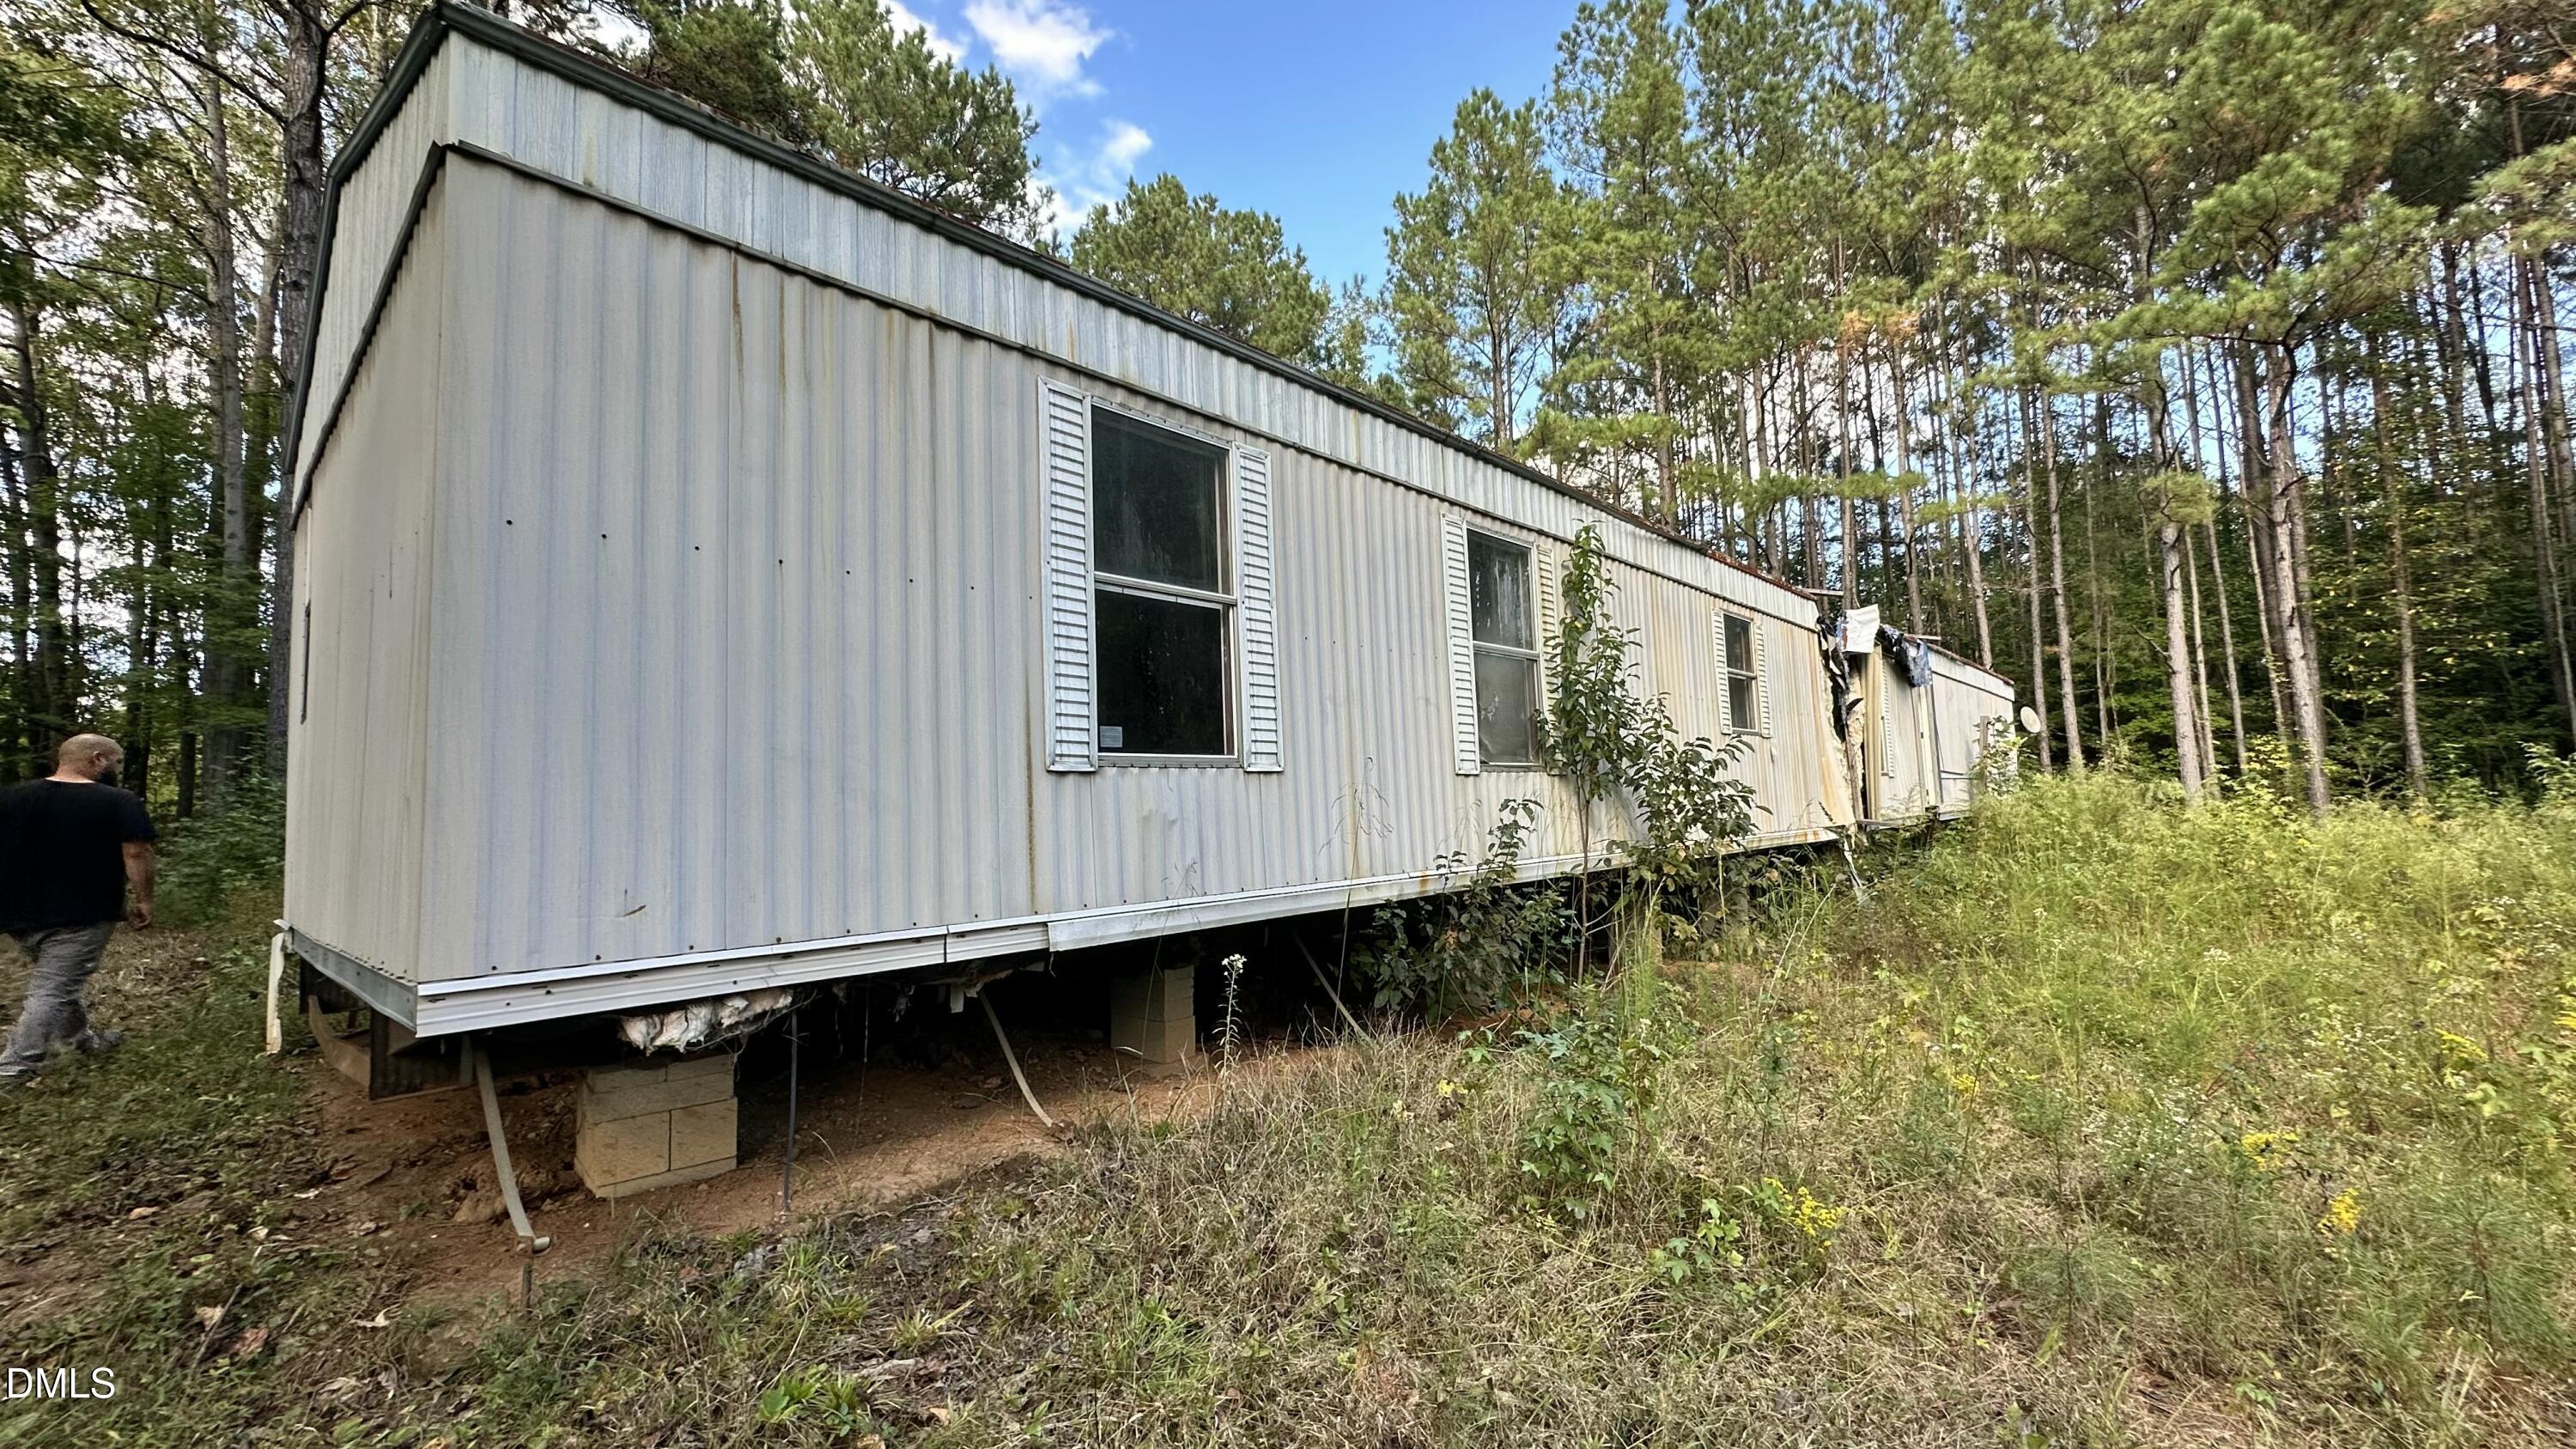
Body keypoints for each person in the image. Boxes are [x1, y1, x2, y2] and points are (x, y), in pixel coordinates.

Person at [0, 734, 156, 1083]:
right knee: (52, 989)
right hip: (84, 911)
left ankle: (82, 1041)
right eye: (115, 762)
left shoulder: (12, 797)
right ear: (97, 759)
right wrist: (144, 898)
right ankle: (13, 1069)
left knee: (58, 981)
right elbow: (135, 852)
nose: (115, 769)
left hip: (17, 913)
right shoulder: (118, 801)